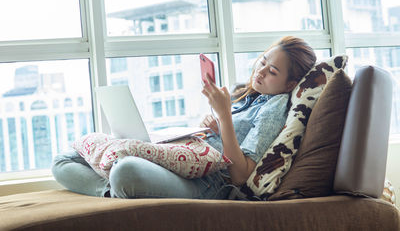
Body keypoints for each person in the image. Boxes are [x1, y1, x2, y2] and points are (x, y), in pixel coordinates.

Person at [52, 36, 316, 199]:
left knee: (124, 171)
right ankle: (110, 193)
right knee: (65, 159)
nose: (260, 72)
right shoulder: (248, 96)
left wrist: (223, 116)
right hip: (187, 159)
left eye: (272, 71)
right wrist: (211, 127)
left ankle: (117, 187)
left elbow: (240, 175)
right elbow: (226, 136)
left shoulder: (274, 107)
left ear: (290, 82)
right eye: (261, 61)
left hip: (208, 183)